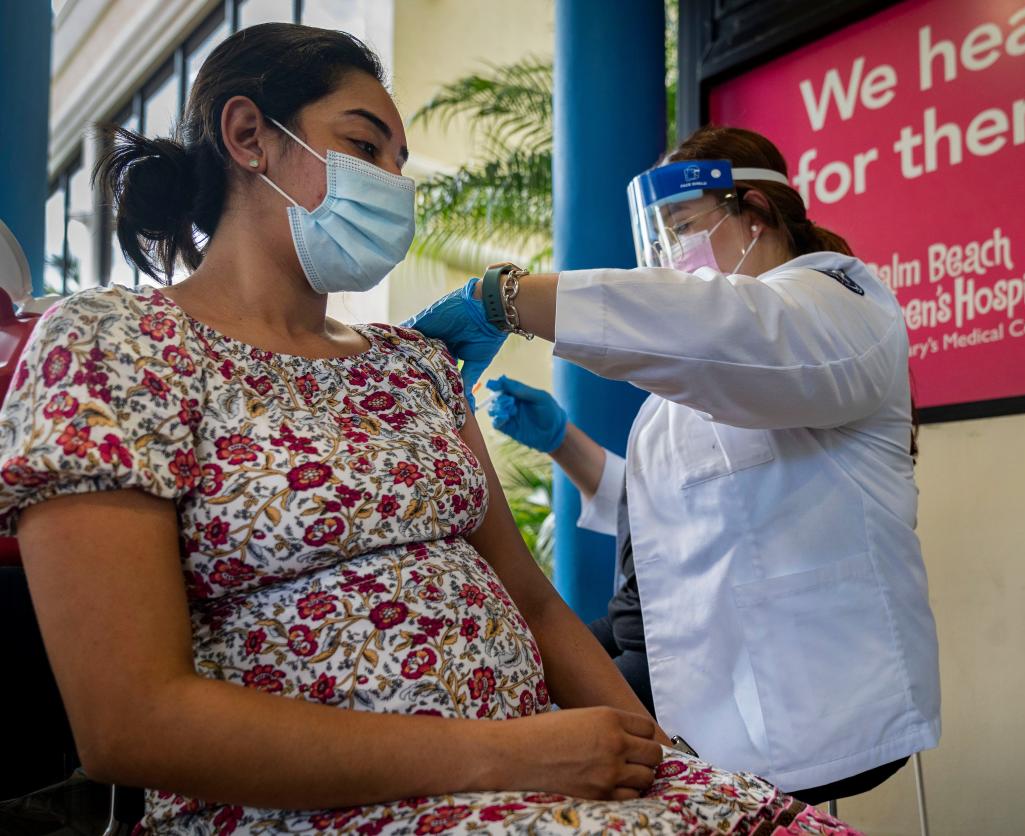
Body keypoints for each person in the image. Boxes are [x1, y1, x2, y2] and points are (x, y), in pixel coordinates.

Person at [0, 24, 859, 835]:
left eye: (399, 162)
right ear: (248, 135)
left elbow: (531, 601)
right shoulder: (114, 345)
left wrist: (661, 764)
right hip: (329, 806)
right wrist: (508, 753)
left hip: (533, 778)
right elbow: (130, 723)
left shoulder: (410, 365)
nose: (392, 185)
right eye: (364, 146)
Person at [411, 126, 941, 802]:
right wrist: (560, 441)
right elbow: (671, 499)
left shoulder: (837, 303)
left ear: (753, 211)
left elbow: (731, 330)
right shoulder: (717, 352)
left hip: (800, 686)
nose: (670, 256)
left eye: (684, 227)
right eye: (658, 236)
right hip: (676, 640)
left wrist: (506, 300)